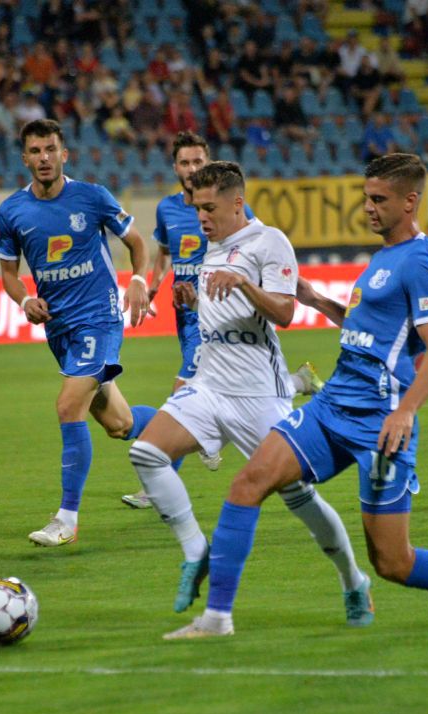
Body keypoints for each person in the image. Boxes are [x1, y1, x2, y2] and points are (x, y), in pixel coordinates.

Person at [165, 153, 428, 639]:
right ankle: (217, 618)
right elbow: (366, 330)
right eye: (366, 198)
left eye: (379, 200)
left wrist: (406, 411)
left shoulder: (420, 259)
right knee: (247, 484)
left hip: (380, 421)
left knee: (392, 561)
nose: (367, 208)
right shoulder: (383, 257)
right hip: (332, 406)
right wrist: (317, 300)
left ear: (410, 202)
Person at [129, 160, 373, 624]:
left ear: (237, 203)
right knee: (146, 453)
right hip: (209, 384)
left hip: (260, 395)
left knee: (298, 497)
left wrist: (243, 281)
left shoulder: (268, 241)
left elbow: (283, 311)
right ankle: (195, 550)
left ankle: (352, 580)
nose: (201, 217)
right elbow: (227, 310)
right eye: (197, 208)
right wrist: (194, 299)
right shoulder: (212, 247)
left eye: (209, 208)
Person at [120, 131, 324, 510]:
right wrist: (159, 287)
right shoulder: (170, 211)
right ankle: (291, 385)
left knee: (181, 394)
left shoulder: (240, 224)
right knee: (187, 404)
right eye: (185, 162)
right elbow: (164, 253)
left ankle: (173, 465)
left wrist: (280, 288)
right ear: (176, 168)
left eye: (199, 162)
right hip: (195, 316)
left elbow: (262, 263)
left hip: (236, 340)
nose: (192, 168)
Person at [0, 118, 154, 546]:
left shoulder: (92, 197)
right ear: (24, 157)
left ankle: (66, 519)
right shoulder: (12, 211)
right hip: (59, 328)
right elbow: (9, 274)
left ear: (65, 155)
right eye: (35, 151)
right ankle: (187, 435)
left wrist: (138, 281)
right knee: (119, 424)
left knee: (68, 406)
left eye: (51, 149)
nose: (44, 158)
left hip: (99, 319)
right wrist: (24, 300)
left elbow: (137, 242)